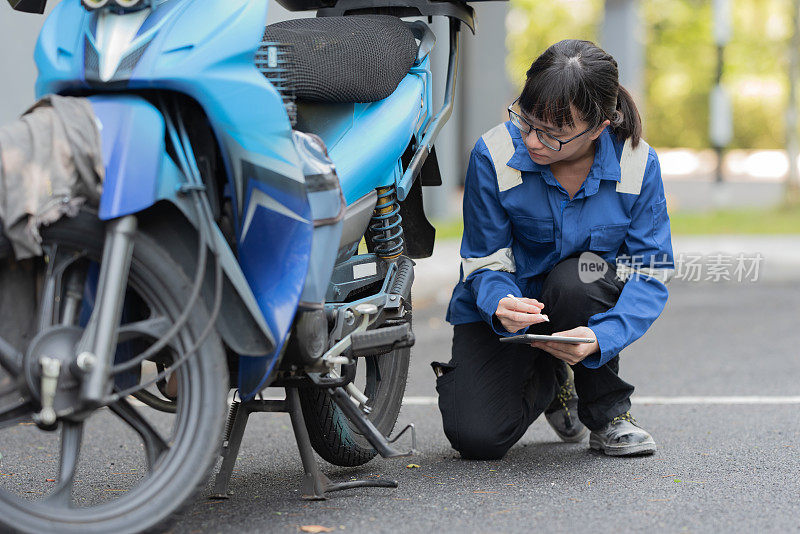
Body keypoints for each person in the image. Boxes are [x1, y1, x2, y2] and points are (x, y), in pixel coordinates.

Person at [434, 39, 675, 460]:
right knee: (476, 436)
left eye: (554, 134)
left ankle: (607, 414)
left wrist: (601, 337)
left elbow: (650, 269)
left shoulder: (637, 162)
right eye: (526, 122)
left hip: (581, 298)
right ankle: (553, 382)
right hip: (505, 307)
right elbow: (483, 256)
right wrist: (499, 302)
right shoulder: (493, 154)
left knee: (580, 278)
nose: (533, 141)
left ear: (600, 126)